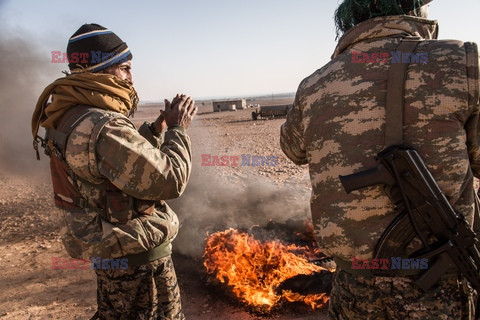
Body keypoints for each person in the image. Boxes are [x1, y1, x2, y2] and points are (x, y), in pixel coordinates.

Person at [281, 0, 479, 319]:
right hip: (435, 291)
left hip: (352, 285)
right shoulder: (460, 61)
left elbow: (291, 149)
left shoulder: (313, 84)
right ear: (409, 9)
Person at [31, 23, 196, 320]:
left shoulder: (69, 113)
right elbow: (171, 180)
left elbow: (107, 164)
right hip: (138, 260)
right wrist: (177, 129)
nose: (131, 78)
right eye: (125, 68)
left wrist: (154, 130)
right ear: (103, 69)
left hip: (111, 255)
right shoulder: (104, 125)